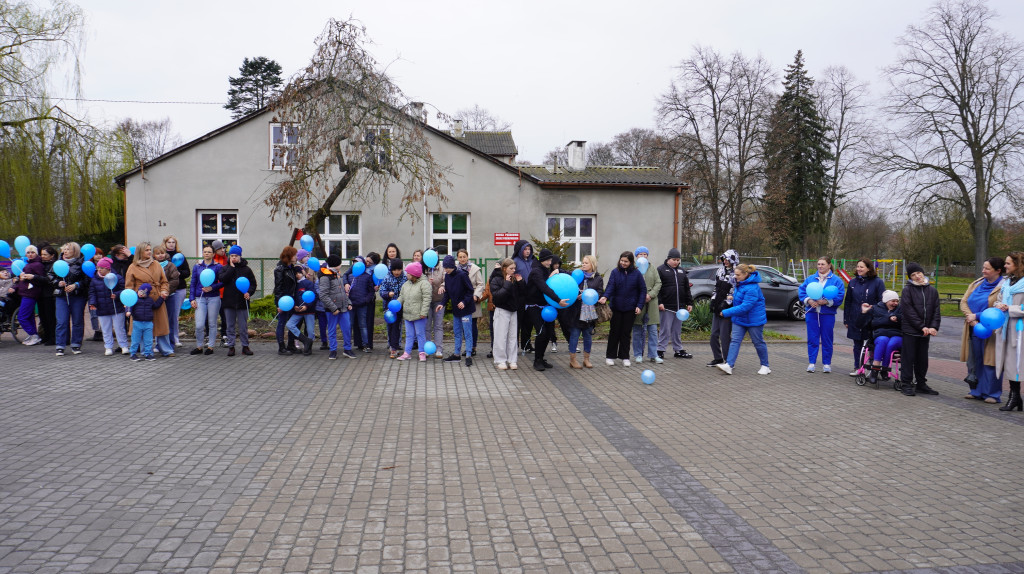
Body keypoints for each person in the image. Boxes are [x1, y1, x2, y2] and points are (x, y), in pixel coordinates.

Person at [959, 257, 1004, 402]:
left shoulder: (1003, 286)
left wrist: (976, 316)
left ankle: (992, 394)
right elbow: (964, 301)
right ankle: (975, 390)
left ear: (998, 271)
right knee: (974, 359)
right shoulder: (977, 283)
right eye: (983, 267)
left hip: (991, 329)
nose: (983, 270)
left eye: (987, 268)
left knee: (990, 361)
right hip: (973, 327)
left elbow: (999, 307)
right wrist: (970, 317)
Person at [714, 264, 770, 375]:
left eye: (738, 274)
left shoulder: (753, 288)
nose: (735, 276)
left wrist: (726, 312)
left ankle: (765, 366)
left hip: (754, 320)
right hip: (740, 319)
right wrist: (733, 298)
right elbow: (742, 300)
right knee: (735, 341)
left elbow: (746, 307)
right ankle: (729, 365)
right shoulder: (741, 284)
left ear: (746, 274)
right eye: (735, 274)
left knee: (758, 342)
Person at [898, 262, 941, 397]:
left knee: (922, 359)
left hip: (926, 331)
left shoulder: (932, 291)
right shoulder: (907, 290)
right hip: (911, 330)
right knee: (908, 358)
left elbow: (936, 311)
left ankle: (921, 383)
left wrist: (933, 327)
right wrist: (922, 326)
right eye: (913, 275)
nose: (917, 276)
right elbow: (908, 311)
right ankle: (906, 383)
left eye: (918, 273)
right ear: (910, 277)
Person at [798, 257, 846, 373]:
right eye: (818, 264)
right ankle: (812, 363)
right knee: (812, 338)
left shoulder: (836, 281)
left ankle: (827, 364)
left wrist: (826, 302)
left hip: (827, 314)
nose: (820, 266)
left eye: (823, 264)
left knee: (827, 338)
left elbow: (839, 296)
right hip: (812, 313)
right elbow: (802, 291)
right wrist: (809, 300)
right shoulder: (810, 279)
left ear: (829, 265)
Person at [599, 251, 646, 367]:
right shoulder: (615, 272)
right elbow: (610, 286)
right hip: (616, 307)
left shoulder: (637, 273)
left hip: (630, 309)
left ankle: (625, 357)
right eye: (621, 261)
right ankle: (610, 356)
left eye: (626, 261)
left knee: (626, 333)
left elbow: (643, 290)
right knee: (614, 332)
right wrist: (605, 297)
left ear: (631, 262)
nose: (623, 263)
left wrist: (639, 306)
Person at [844, 259, 886, 376]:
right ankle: (858, 367)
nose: (859, 269)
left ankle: (873, 367)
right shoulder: (852, 282)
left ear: (868, 268)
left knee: (872, 345)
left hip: (872, 319)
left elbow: (883, 301)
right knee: (857, 345)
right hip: (856, 318)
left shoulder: (877, 282)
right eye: (857, 266)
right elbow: (848, 302)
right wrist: (846, 319)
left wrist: (872, 308)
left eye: (861, 267)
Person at [48, 242, 90, 356]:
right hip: (61, 295)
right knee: (61, 321)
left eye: (68, 249)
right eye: (64, 249)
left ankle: (76, 344)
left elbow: (87, 279)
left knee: (77, 321)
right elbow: (50, 275)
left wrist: (76, 285)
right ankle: (60, 345)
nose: (65, 251)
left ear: (75, 251)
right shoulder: (58, 263)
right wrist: (58, 282)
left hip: (77, 296)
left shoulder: (82, 264)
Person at [994, 252, 1024, 411]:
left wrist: (1010, 308)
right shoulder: (1007, 282)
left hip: (1019, 330)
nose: (1005, 266)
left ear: (1018, 265)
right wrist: (999, 305)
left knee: (1016, 363)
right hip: (1005, 327)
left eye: (1008, 264)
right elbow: (999, 299)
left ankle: (1014, 397)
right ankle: (1015, 396)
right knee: (1009, 363)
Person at [217, 245, 257, 357]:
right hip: (228, 302)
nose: (233, 258)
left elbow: (253, 284)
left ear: (240, 256)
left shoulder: (247, 270)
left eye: (236, 256)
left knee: (243, 327)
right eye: (232, 256)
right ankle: (231, 346)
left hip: (242, 303)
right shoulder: (225, 268)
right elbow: (223, 279)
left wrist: (249, 292)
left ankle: (245, 346)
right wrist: (231, 268)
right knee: (230, 326)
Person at [438, 255, 475, 366]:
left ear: (451, 266)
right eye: (444, 268)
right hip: (456, 310)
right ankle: (456, 354)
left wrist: (464, 302)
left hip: (466, 309)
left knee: (467, 333)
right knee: (457, 332)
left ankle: (468, 355)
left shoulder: (462, 275)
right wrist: (442, 304)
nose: (445, 270)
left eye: (446, 267)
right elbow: (447, 293)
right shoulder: (448, 276)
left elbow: (470, 291)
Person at [567, 254, 603, 369]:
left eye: (586, 263)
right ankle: (572, 360)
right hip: (576, 312)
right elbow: (570, 288)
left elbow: (599, 292)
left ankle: (586, 359)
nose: (583, 264)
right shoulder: (577, 275)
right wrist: (577, 295)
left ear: (592, 264)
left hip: (590, 313)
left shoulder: (598, 278)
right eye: (583, 262)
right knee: (574, 335)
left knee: (588, 336)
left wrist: (589, 295)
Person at [860, 290, 903, 385]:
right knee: (883, 340)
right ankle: (875, 370)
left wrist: (897, 319)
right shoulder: (875, 308)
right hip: (880, 334)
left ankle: (885, 368)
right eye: (893, 301)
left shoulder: (901, 309)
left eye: (897, 301)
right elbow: (864, 324)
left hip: (897, 334)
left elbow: (906, 321)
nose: (895, 303)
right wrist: (864, 313)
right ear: (886, 301)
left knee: (892, 343)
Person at [657, 248, 693, 363]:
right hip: (667, 307)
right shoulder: (661, 270)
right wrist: (660, 302)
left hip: (680, 308)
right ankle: (660, 350)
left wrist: (689, 303)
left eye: (678, 260)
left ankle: (678, 350)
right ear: (668, 259)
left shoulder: (682, 272)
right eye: (674, 259)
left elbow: (687, 289)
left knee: (677, 330)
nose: (676, 262)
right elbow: (658, 289)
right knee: (665, 329)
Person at [489, 258, 525, 370]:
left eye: (514, 268)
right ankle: (500, 360)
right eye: (511, 268)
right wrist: (507, 284)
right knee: (501, 336)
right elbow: (498, 296)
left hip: (513, 311)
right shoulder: (496, 279)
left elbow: (523, 294)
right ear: (504, 269)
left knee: (513, 337)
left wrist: (521, 283)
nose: (513, 270)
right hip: (502, 310)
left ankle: (512, 360)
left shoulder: (515, 279)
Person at [88, 257, 129, 356]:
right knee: (106, 329)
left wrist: (117, 295)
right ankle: (108, 347)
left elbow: (123, 289)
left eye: (102, 268)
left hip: (116, 307)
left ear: (108, 268)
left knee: (119, 328)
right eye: (98, 268)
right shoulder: (94, 280)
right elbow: (92, 293)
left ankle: (124, 346)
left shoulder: (117, 277)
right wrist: (92, 303)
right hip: (102, 308)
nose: (99, 270)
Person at [187, 244, 222, 355]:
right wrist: (191, 298)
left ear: (213, 254)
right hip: (199, 298)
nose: (206, 253)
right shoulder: (197, 266)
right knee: (199, 324)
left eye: (209, 252)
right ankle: (199, 346)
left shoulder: (218, 266)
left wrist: (212, 287)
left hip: (213, 298)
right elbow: (193, 283)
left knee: (212, 323)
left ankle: (211, 346)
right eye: (204, 251)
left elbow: (223, 282)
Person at [319, 255, 355, 360]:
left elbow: (343, 292)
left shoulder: (338, 274)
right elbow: (323, 295)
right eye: (340, 263)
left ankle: (347, 349)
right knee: (332, 330)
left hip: (343, 308)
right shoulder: (325, 277)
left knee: (347, 328)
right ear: (336, 265)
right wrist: (333, 308)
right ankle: (333, 351)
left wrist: (348, 303)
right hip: (332, 310)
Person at [631, 246, 662, 364]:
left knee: (653, 330)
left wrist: (651, 295)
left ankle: (653, 354)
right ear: (636, 256)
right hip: (638, 303)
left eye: (645, 254)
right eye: (640, 254)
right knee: (637, 330)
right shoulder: (633, 269)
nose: (643, 256)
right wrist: (640, 296)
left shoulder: (652, 268)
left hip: (651, 303)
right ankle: (638, 354)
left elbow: (658, 283)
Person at [708, 250, 738, 366]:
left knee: (725, 336)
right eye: (723, 259)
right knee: (713, 335)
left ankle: (728, 361)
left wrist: (727, 303)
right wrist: (713, 300)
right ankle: (718, 358)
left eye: (727, 259)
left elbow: (735, 291)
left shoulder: (736, 273)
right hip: (718, 306)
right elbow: (716, 287)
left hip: (727, 308)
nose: (725, 261)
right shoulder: (720, 271)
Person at [397, 262, 432, 361]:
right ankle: (407, 353)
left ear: (414, 274)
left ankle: (422, 352)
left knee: (420, 334)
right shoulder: (406, 284)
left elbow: (427, 299)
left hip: (419, 315)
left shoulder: (424, 284)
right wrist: (397, 303)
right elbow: (402, 296)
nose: (406, 274)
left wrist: (423, 312)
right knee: (409, 335)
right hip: (408, 314)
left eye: (408, 273)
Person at [151, 244, 180, 357]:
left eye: (162, 253)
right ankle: (159, 344)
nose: (160, 255)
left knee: (170, 320)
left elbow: (174, 281)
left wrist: (165, 291)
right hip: (156, 297)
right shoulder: (151, 265)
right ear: (154, 255)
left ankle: (171, 344)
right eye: (158, 253)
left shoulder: (171, 265)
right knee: (159, 321)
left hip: (169, 296)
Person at [456, 249, 485, 357]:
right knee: (464, 324)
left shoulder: (475, 269)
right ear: (457, 258)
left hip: (473, 299)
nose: (462, 259)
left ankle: (473, 347)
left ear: (467, 257)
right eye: (460, 257)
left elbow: (480, 284)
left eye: (464, 257)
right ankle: (467, 346)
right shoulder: (456, 269)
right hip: (461, 299)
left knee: (472, 324)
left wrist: (476, 295)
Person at [14, 245, 45, 345]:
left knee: (22, 317)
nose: (30, 254)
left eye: (32, 252)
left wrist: (29, 278)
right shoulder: (29, 264)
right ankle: (33, 335)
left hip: (30, 293)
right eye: (28, 252)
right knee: (30, 316)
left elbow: (40, 279)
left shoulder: (37, 265)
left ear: (36, 253)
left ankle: (34, 335)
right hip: (26, 293)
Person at [163, 235, 190, 347]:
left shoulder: (180, 256)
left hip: (179, 289)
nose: (171, 244)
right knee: (163, 315)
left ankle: (175, 338)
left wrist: (179, 274)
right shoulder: (161, 256)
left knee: (174, 315)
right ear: (165, 243)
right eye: (169, 242)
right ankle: (163, 339)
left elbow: (187, 272)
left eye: (173, 242)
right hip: (164, 289)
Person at [126, 283, 164, 361]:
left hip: (148, 323)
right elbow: (129, 306)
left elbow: (155, 306)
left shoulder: (150, 300)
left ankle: (148, 354)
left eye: (143, 292)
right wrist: (128, 312)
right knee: (135, 339)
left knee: (148, 340)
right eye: (140, 291)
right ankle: (133, 354)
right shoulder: (134, 299)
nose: (140, 293)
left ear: (147, 293)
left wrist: (161, 298)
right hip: (137, 322)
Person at [274, 246, 299, 355]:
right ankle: (281, 347)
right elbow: (278, 288)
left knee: (292, 322)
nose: (296, 257)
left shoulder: (291, 268)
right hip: (284, 301)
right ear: (289, 256)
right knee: (282, 323)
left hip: (291, 300)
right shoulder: (280, 269)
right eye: (294, 255)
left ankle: (291, 345)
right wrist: (280, 304)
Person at [286, 266, 318, 355]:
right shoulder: (295, 285)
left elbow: (313, 296)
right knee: (290, 324)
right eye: (296, 274)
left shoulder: (308, 283)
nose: (298, 275)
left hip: (309, 311)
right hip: (298, 311)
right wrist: (295, 306)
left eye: (299, 273)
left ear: (302, 272)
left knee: (310, 331)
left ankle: (308, 348)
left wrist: (306, 306)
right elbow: (293, 298)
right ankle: (305, 340)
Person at [349, 255, 377, 353]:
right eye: (354, 263)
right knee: (350, 324)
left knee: (363, 324)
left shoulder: (367, 277)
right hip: (351, 304)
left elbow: (371, 291)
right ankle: (347, 345)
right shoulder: (351, 276)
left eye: (357, 263)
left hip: (362, 305)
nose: (355, 264)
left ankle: (366, 344)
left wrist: (366, 300)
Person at [380, 259, 407, 358]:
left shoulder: (405, 278)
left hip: (400, 307)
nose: (396, 272)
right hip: (389, 308)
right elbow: (381, 291)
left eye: (399, 270)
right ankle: (392, 346)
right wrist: (388, 294)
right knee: (391, 327)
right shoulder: (387, 277)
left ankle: (394, 348)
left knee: (396, 327)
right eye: (394, 270)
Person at [512, 240, 536, 353]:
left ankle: (526, 345)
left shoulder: (533, 261)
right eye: (525, 249)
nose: (527, 251)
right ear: (520, 250)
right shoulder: (515, 262)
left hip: (531, 296)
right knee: (517, 323)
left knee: (529, 322)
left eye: (529, 249)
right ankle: (513, 346)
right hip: (519, 297)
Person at [424, 251, 447, 358]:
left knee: (438, 326)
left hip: (439, 300)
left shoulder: (442, 267)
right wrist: (427, 283)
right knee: (427, 326)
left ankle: (439, 349)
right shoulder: (423, 268)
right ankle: (427, 348)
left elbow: (446, 280)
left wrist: (442, 286)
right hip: (427, 301)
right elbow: (419, 282)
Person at [36, 244, 58, 346]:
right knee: (43, 317)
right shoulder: (40, 264)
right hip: (40, 294)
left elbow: (49, 280)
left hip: (49, 294)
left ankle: (53, 337)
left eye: (45, 254)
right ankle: (46, 335)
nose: (43, 256)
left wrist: (34, 277)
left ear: (52, 255)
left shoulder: (54, 265)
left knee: (50, 317)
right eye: (41, 254)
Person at [88, 246, 105, 342]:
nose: (98, 256)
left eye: (100, 254)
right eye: (96, 254)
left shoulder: (105, 265)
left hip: (102, 292)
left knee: (103, 312)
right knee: (93, 312)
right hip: (92, 292)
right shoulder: (89, 265)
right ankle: (96, 331)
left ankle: (103, 331)